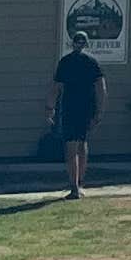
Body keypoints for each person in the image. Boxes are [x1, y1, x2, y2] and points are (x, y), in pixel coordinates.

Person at [53, 40, 105, 195]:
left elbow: (56, 87)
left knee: (71, 146)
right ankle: (79, 183)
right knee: (82, 143)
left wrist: (49, 108)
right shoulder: (92, 62)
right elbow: (101, 88)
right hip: (86, 109)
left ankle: (74, 186)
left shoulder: (65, 62)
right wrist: (100, 111)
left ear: (73, 44)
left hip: (70, 108)